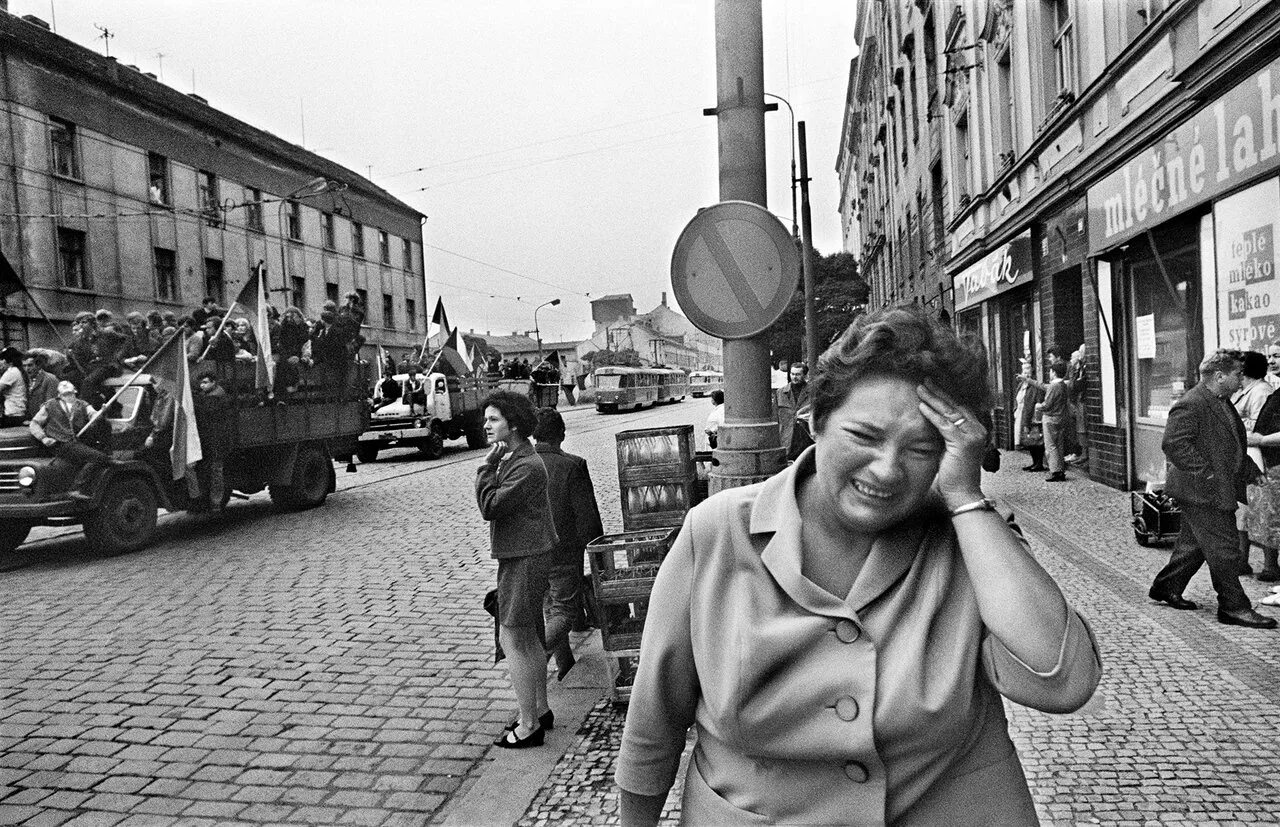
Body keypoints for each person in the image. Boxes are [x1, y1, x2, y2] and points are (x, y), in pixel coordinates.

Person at [616, 307, 1102, 825]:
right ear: (815, 421)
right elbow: (654, 722)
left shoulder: (972, 537)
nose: (887, 470)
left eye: (921, 447)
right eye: (865, 437)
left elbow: (1063, 680)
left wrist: (965, 498)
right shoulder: (716, 533)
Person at [1148, 349, 1277, 629]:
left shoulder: (1219, 400)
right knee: (1225, 550)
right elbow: (1175, 444)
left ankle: (1166, 586)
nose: (1241, 379)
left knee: (1193, 545)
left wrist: (1250, 472)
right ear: (1219, 376)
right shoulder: (1192, 403)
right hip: (1203, 492)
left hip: (1210, 489)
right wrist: (1207, 476)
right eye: (1237, 374)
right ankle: (1233, 607)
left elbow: (1228, 445)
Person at [475, 390, 558, 749]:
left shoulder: (526, 464)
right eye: (487, 419)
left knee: (512, 637)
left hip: (526, 556)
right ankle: (539, 709)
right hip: (523, 553)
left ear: (514, 424)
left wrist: (485, 468)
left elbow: (490, 506)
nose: (486, 425)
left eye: (494, 419)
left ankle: (528, 725)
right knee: (528, 637)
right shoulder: (519, 458)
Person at [531, 407, 604, 680]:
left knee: (550, 607)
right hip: (563, 553)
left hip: (528, 553)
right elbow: (587, 519)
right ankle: (531, 656)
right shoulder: (573, 465)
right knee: (564, 611)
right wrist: (596, 552)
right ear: (561, 434)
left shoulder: (519, 464)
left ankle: (565, 664)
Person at [29, 380, 111, 501]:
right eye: (65, 394)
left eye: (70, 393)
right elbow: (34, 423)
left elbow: (93, 415)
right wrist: (43, 438)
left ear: (75, 392)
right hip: (60, 444)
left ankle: (77, 487)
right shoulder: (50, 405)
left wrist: (101, 413)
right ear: (59, 395)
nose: (68, 396)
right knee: (100, 457)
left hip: (76, 443)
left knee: (99, 456)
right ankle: (76, 488)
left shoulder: (82, 404)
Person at [1232, 351, 1274, 575]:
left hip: (1256, 454)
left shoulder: (1260, 391)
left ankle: (1269, 564)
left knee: (1258, 508)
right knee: (1243, 509)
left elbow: (1260, 427)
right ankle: (1242, 559)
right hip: (1244, 451)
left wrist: (1238, 428)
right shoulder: (1245, 390)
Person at [1245, 385, 1280, 582]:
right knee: (1270, 517)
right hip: (1270, 463)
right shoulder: (1276, 393)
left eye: (1278, 356)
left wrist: (1262, 439)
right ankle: (1271, 566)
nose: (1272, 361)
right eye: (1272, 356)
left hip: (1276, 463)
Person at [1020, 360, 1069, 481]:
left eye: (1051, 371)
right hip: (1061, 417)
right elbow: (1042, 386)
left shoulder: (1053, 386)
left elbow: (1047, 405)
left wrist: (1038, 405)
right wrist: (1028, 380)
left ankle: (1055, 471)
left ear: (1053, 372)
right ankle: (1061, 469)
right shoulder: (1063, 385)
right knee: (1059, 445)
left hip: (1050, 418)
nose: (1050, 373)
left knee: (1051, 445)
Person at [192, 374, 232, 512]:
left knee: (216, 471)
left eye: (205, 382)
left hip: (217, 440)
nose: (202, 385)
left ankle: (216, 502)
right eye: (201, 383)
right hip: (212, 439)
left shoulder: (216, 397)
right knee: (210, 471)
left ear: (213, 383)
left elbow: (207, 411)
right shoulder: (210, 395)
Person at [1013, 358, 1045, 471]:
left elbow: (1038, 401)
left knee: (1035, 439)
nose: (1025, 373)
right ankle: (1034, 462)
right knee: (1028, 439)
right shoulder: (1021, 385)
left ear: (1032, 371)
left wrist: (1035, 417)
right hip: (1021, 414)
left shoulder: (1035, 386)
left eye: (1027, 370)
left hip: (1031, 415)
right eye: (1023, 370)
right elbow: (1017, 399)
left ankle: (1039, 463)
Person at [776, 362, 811, 461]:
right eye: (792, 374)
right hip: (787, 440)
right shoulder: (780, 393)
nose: (794, 377)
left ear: (805, 375)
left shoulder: (813, 392)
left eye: (798, 374)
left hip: (805, 439)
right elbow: (776, 419)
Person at [23, 352, 59, 422]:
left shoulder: (49, 379)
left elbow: (51, 406)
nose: (27, 369)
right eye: (24, 366)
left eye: (30, 365)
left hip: (47, 423)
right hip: (34, 421)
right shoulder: (29, 380)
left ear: (38, 366)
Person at [0, 346, 27, 427]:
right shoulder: (17, 370)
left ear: (6, 361)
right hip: (16, 412)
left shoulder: (11, 372)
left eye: (1, 359)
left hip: (13, 414)